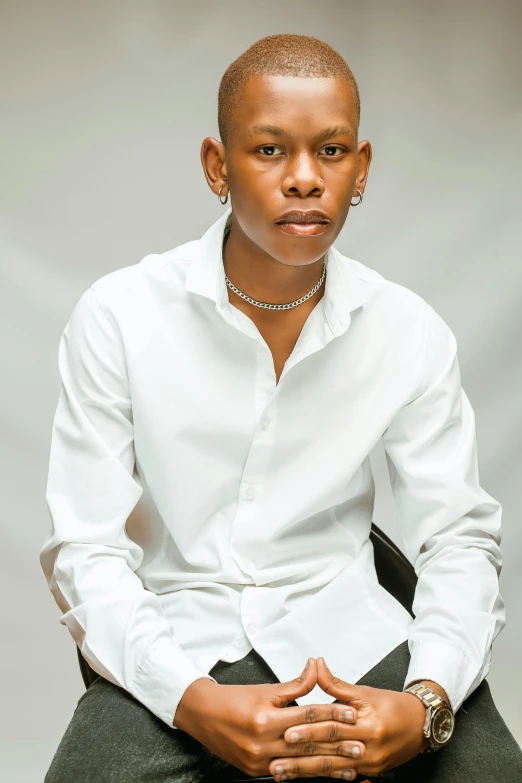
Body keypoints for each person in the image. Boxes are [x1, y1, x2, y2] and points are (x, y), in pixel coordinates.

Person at [40, 33, 522, 783]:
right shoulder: (120, 316)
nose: (304, 179)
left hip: (354, 629)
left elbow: (459, 539)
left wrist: (425, 700)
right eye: (269, 151)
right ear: (216, 165)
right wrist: (194, 702)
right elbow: (87, 552)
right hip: (178, 640)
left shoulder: (407, 329)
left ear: (360, 169)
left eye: (331, 152)